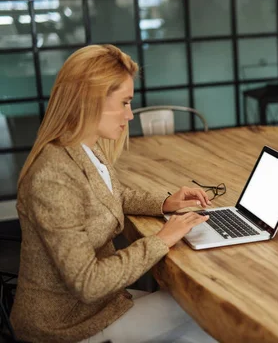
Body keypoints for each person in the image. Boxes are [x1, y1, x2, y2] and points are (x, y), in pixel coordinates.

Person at [11, 44, 216, 342]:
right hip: (67, 323)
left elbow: (111, 196)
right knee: (203, 313)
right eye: (124, 103)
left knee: (195, 320)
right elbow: (88, 283)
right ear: (90, 100)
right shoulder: (52, 177)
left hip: (99, 303)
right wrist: (162, 239)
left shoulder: (84, 146)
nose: (130, 115)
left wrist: (165, 201)